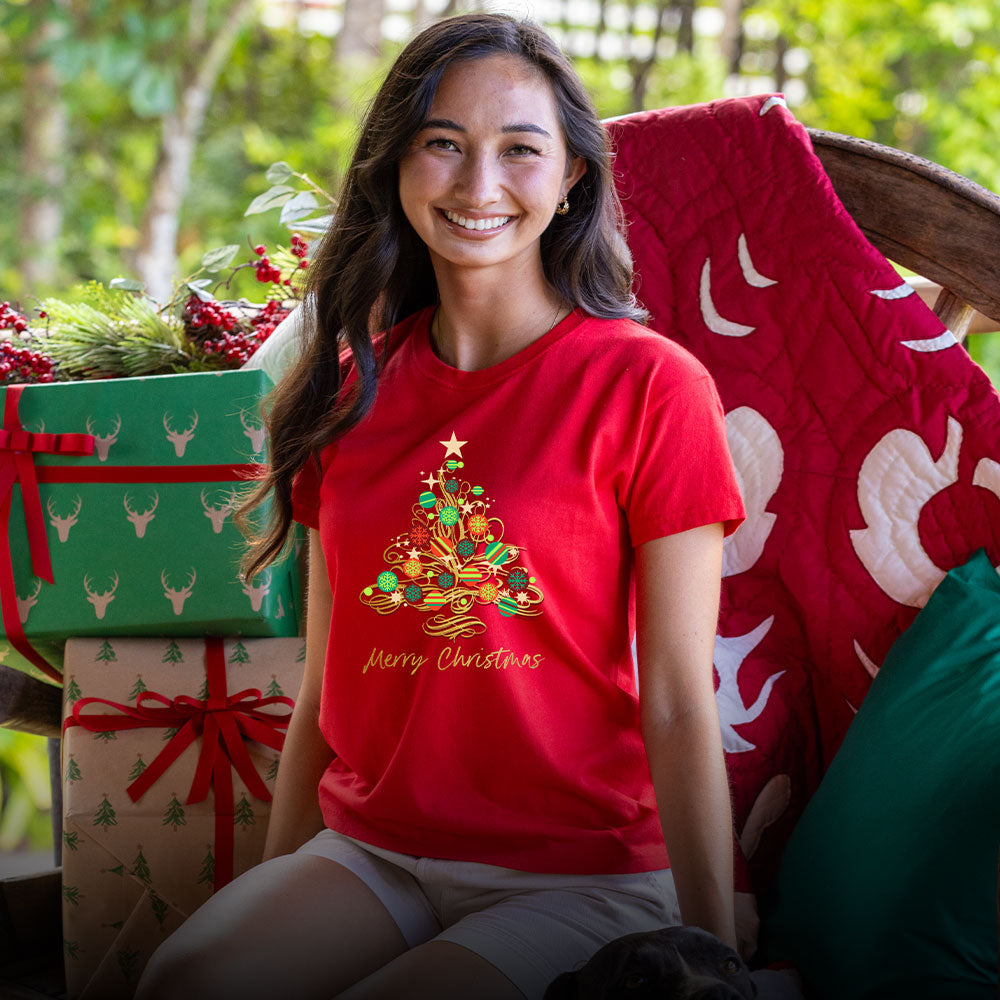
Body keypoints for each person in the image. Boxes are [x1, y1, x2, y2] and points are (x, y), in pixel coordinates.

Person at [136, 13, 746, 1000]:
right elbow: (326, 688)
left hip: (582, 868)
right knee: (186, 981)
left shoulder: (651, 387)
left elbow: (677, 697)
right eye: (443, 143)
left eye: (520, 149)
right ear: (396, 166)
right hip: (375, 852)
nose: (478, 184)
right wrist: (272, 883)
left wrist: (714, 953)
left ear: (571, 177)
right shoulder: (348, 391)